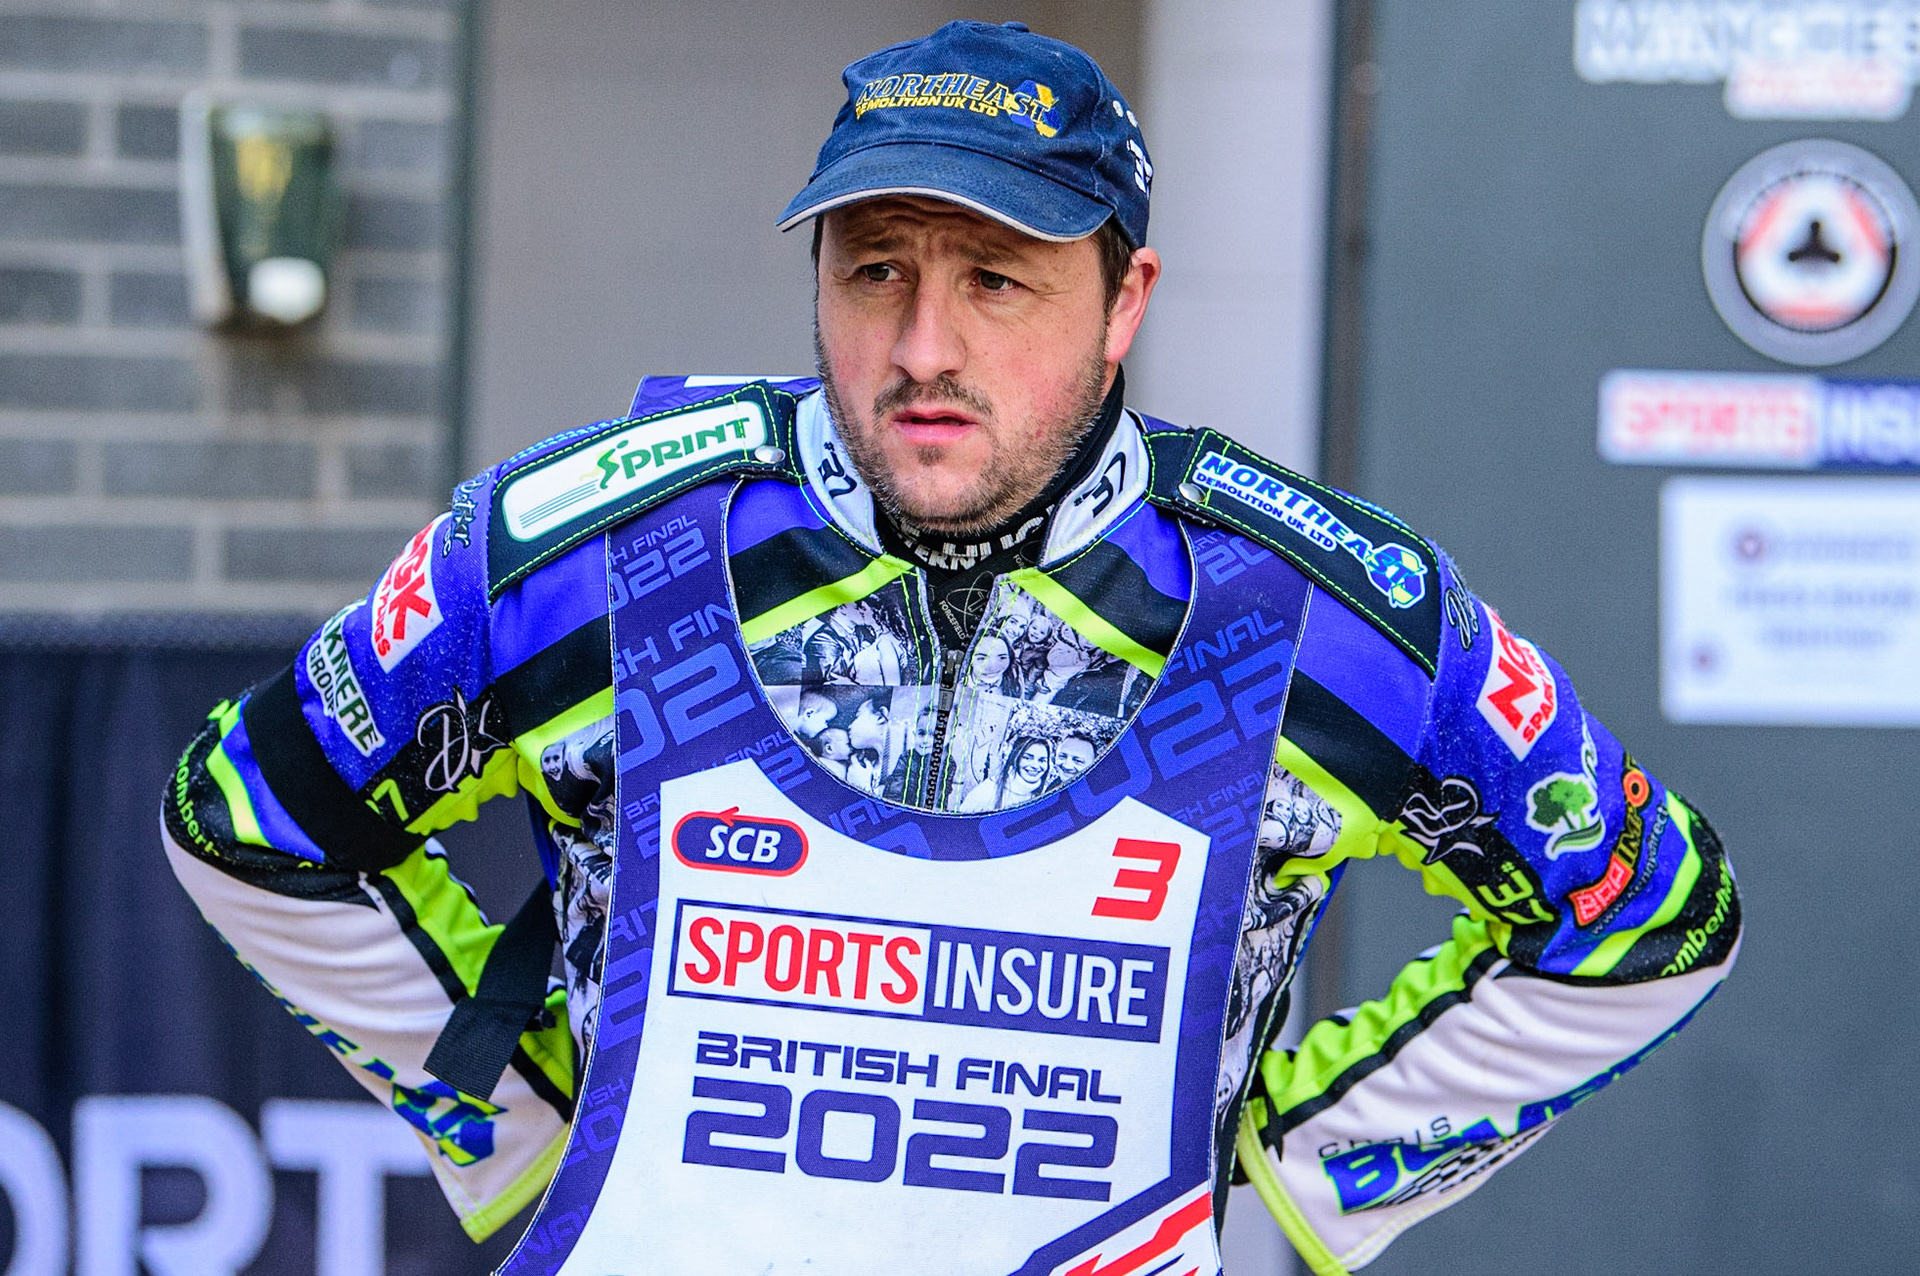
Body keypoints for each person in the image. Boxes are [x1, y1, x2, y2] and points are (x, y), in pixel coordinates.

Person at [160, 20, 1739, 1275]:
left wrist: (1293, 1188)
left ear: (1126, 302)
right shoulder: (586, 544)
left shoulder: (1315, 607)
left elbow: (1647, 920)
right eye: (877, 274)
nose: (925, 347)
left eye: (997, 280)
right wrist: (525, 1143)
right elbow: (251, 823)